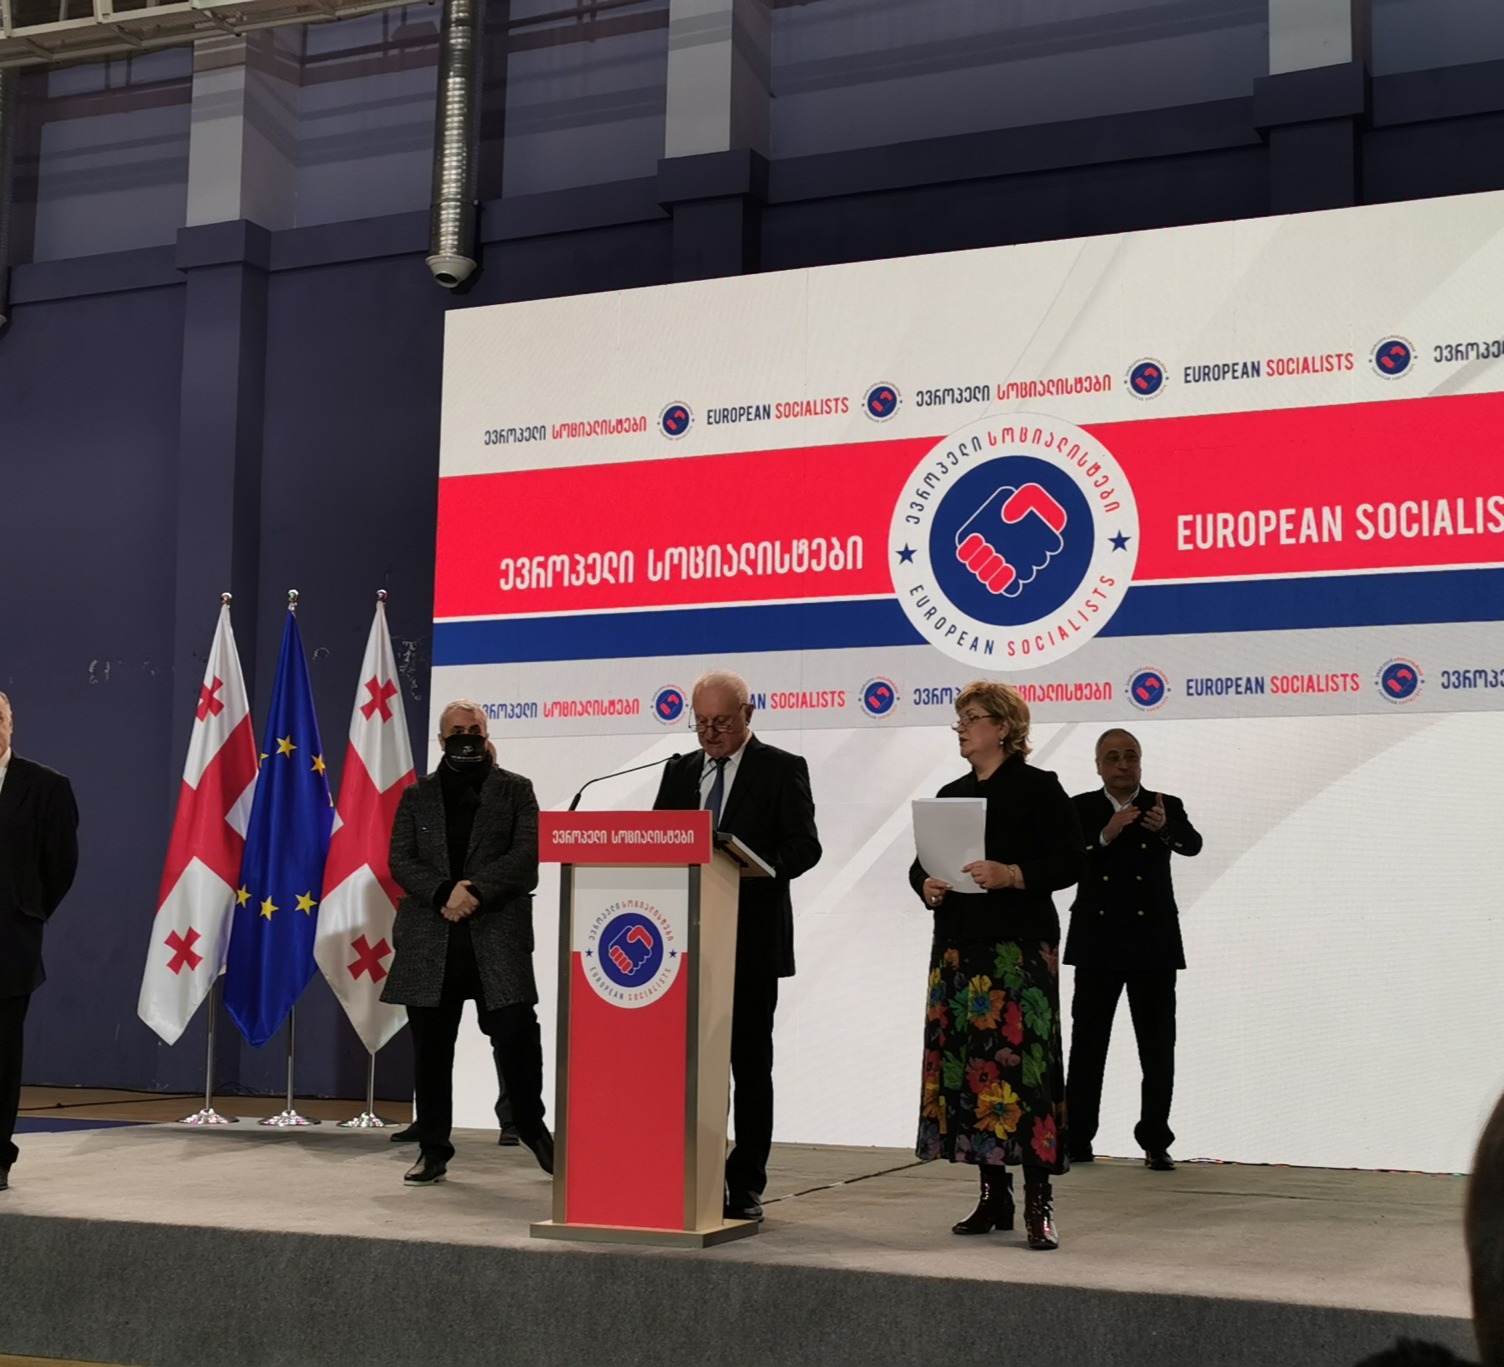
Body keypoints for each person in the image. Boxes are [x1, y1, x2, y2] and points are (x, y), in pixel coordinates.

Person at [910, 681, 1085, 1250]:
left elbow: (1070, 860)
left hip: (1017, 950)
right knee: (975, 1075)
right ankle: (994, 1195)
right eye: (959, 720)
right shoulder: (951, 794)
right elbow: (920, 864)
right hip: (960, 948)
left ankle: (1038, 1199)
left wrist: (1012, 874)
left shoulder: (1038, 787)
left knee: (1024, 1074)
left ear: (1004, 728)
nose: (962, 728)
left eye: (973, 718)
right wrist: (927, 884)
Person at [653, 669, 821, 1222]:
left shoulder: (781, 768)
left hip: (750, 941)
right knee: (687, 1066)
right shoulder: (679, 772)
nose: (710, 733)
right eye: (701, 722)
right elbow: (658, 841)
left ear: (748, 714)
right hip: (682, 944)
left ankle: (745, 1182)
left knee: (749, 1067)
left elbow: (805, 846)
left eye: (722, 722)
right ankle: (687, 1172)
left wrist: (756, 866)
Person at [381, 700, 551, 1185]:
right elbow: (401, 859)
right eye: (457, 730)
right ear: (442, 740)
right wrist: (443, 893)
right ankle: (433, 1148)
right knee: (432, 1050)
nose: (467, 736)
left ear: (486, 733)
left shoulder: (516, 789)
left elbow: (526, 856)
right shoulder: (417, 795)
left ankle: (533, 1131)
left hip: (497, 935)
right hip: (431, 938)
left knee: (517, 1036)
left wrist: (472, 892)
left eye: (475, 729)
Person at [1064, 728, 1202, 1171]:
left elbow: (1193, 845)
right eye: (1113, 757)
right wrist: (1104, 835)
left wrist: (1166, 830)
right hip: (1097, 942)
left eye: (1131, 756)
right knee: (1088, 1045)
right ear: (1098, 765)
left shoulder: (1164, 804)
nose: (1123, 765)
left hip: (1152, 943)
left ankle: (1156, 1140)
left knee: (1157, 1047)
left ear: (1140, 762)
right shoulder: (1081, 808)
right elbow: (1066, 862)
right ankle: (1077, 1137)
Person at [0, 692, 80, 1193]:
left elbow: (60, 867)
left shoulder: (47, 786)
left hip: (8, 945)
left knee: (2, 1058)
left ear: (11, 724)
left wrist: (25, 913)